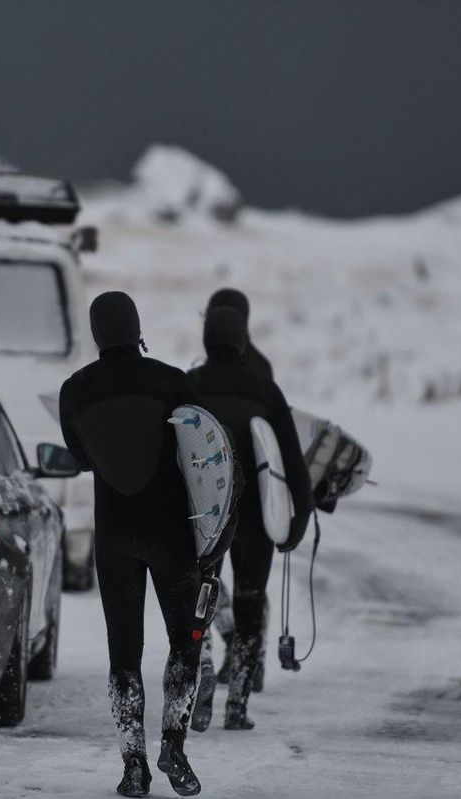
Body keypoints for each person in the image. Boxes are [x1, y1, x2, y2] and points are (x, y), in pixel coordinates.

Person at [59, 291, 217, 797]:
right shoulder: (173, 382)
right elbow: (207, 456)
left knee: (124, 652)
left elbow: (83, 459)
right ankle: (174, 745)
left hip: (115, 537)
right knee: (185, 642)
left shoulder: (74, 391)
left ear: (97, 333)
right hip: (171, 534)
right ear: (136, 327)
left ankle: (133, 766)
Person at [187, 305, 312, 730]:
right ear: (243, 340)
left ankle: (202, 667)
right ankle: (237, 704)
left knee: (199, 597)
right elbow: (291, 462)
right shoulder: (266, 392)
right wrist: (298, 518)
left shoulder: (190, 384)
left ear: (207, 339)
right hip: (256, 520)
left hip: (206, 514)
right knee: (249, 602)